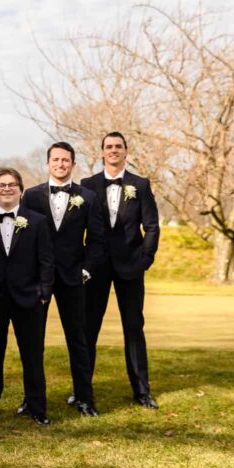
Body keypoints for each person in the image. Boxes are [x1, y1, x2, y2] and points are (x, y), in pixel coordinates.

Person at [23, 142, 106, 418]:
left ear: (73, 164)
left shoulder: (88, 197)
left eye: (66, 160)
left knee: (78, 340)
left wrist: (86, 270)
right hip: (39, 279)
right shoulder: (31, 196)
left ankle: (84, 398)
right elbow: (24, 239)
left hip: (73, 278)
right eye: (56, 159)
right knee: (33, 340)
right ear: (48, 163)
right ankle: (31, 399)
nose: (60, 164)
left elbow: (97, 240)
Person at [81, 132, 161, 409]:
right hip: (96, 267)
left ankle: (142, 391)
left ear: (126, 151)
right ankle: (82, 391)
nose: (113, 150)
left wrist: (145, 259)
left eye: (118, 146)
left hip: (131, 266)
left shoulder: (140, 184)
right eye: (108, 147)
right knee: (88, 329)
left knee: (134, 328)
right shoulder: (87, 185)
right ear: (102, 152)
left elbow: (152, 226)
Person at [0, 167, 54, 425]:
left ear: (21, 190)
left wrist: (44, 293)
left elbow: (46, 260)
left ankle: (37, 407)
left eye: (12, 184)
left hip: (29, 299)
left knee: (32, 357)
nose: (6, 188)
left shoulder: (38, 221)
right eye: (1, 185)